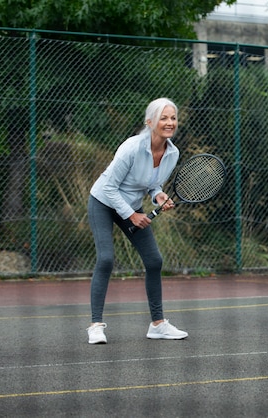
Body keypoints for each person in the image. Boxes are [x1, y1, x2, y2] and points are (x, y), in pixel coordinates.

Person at [86, 98, 188, 344]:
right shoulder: (131, 147)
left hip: (132, 205)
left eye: (173, 118)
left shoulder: (172, 153)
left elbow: (152, 183)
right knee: (106, 258)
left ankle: (158, 324)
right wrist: (131, 215)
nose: (169, 123)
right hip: (103, 202)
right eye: (163, 118)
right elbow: (109, 187)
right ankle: (96, 326)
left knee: (154, 261)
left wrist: (158, 195)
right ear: (150, 121)